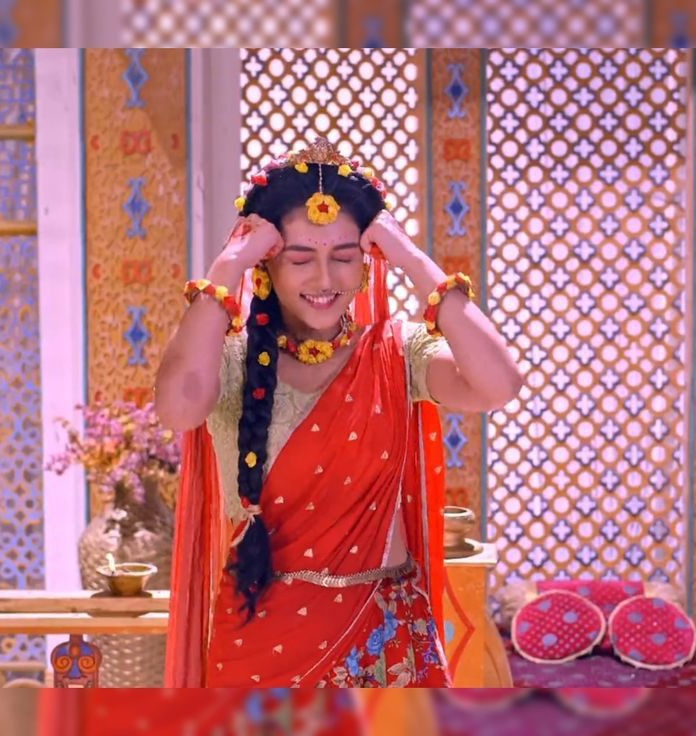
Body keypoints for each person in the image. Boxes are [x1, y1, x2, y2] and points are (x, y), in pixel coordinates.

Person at [155, 137, 523, 688]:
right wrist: (228, 264)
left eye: (345, 257)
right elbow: (178, 408)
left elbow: (498, 385)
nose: (324, 279)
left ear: (367, 263)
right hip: (259, 640)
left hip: (381, 641)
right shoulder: (231, 362)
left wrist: (413, 259)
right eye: (301, 259)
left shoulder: (397, 353)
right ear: (267, 265)